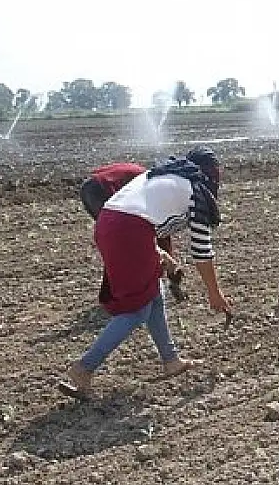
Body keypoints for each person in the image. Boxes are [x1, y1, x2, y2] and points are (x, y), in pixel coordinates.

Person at [58, 146, 232, 399]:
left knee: (153, 292)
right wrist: (215, 294)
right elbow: (202, 252)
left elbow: (136, 211)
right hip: (129, 229)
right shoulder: (196, 192)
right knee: (136, 310)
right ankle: (84, 368)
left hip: (109, 223)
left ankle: (171, 360)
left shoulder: (163, 174)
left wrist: (159, 253)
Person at [81, 162, 183, 300]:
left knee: (115, 242)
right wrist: (171, 267)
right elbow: (160, 233)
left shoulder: (148, 177)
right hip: (101, 190)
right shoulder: (153, 187)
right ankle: (123, 293)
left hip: (89, 187)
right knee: (118, 241)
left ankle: (119, 291)